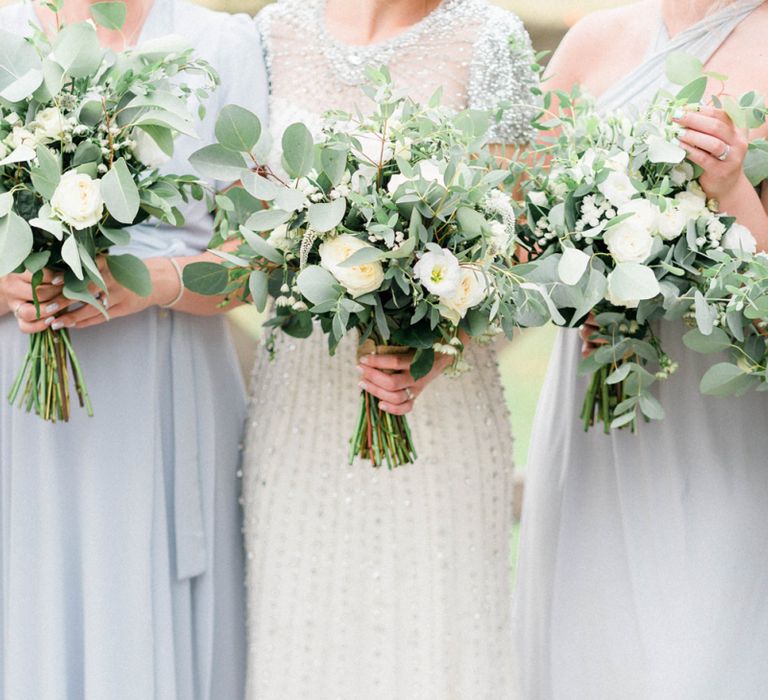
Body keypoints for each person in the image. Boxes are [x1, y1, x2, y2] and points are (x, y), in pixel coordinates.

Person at [239, 1, 537, 698]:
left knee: (439, 630)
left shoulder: (493, 40)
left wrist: (437, 347)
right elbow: (244, 215)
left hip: (442, 398)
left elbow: (518, 240)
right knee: (299, 626)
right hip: (301, 393)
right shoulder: (272, 33)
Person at [0, 1, 268, 697]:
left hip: (168, 383)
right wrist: (7, 287)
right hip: (19, 399)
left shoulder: (223, 43)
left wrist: (160, 281)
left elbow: (261, 255)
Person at [513, 1, 768, 698]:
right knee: (592, 649)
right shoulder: (596, 36)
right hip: (596, 401)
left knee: (702, 653)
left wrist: (731, 189)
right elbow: (519, 226)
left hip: (718, 410)